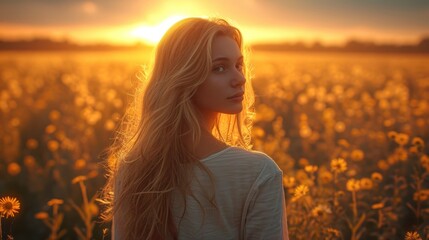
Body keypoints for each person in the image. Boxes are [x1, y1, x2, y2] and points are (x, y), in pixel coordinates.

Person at [101, 17, 289, 240]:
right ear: (184, 78)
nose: (240, 79)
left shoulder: (133, 168)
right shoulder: (258, 172)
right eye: (219, 68)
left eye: (238, 65)